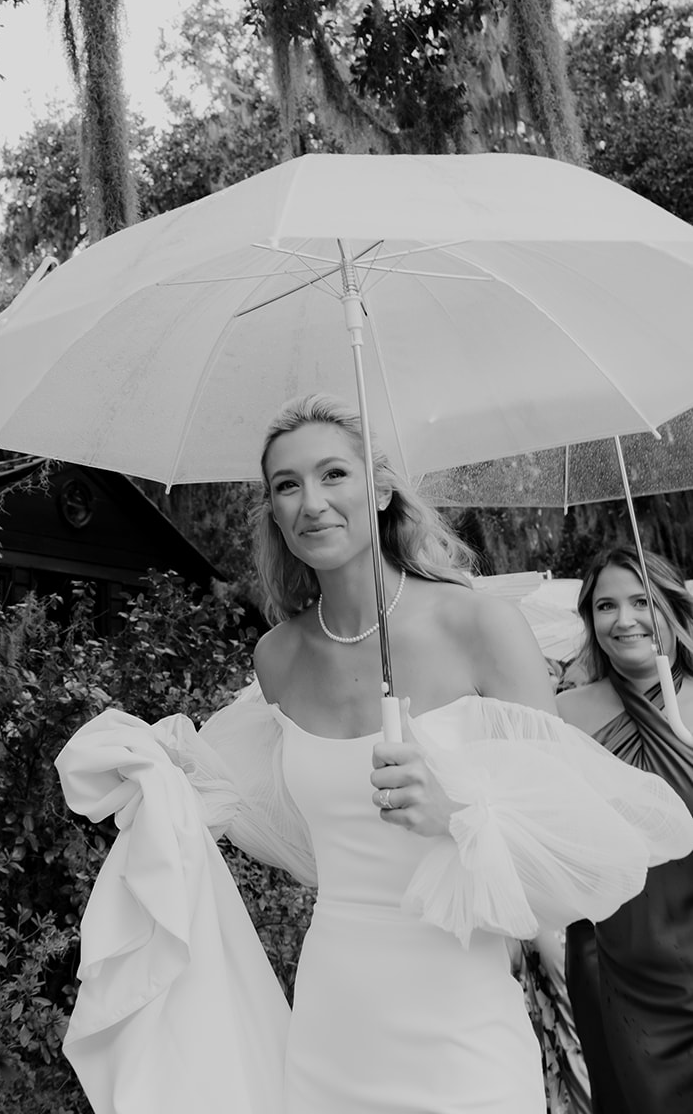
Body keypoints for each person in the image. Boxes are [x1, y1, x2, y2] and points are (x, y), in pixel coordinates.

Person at [55, 398, 693, 1114]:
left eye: (334, 474)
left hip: (461, 1020)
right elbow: (242, 788)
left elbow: (567, 835)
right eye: (286, 485)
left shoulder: (478, 624)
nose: (311, 502)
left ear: (381, 490)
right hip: (333, 1022)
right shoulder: (277, 657)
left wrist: (458, 812)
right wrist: (156, 769)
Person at [557, 546, 693, 1114]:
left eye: (641, 601)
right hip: (617, 959)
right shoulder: (565, 714)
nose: (624, 619)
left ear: (672, 608)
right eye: (605, 606)